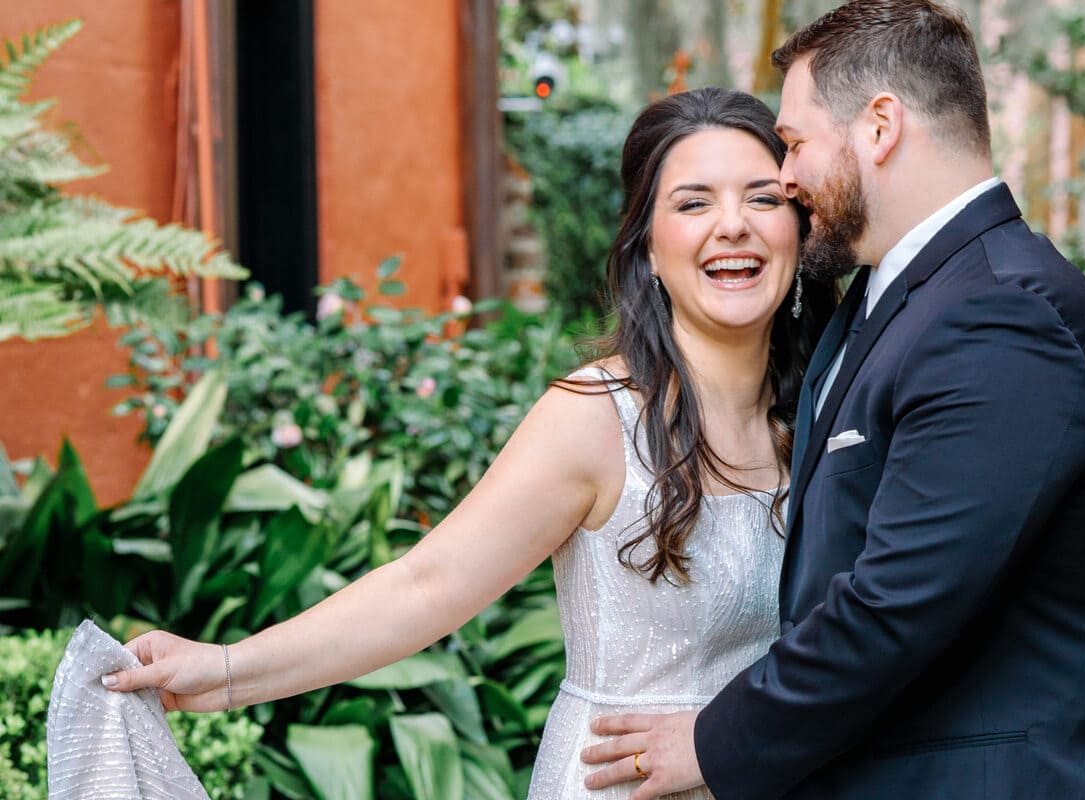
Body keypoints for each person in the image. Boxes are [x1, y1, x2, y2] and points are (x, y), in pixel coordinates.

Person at [102, 87, 837, 799]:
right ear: (647, 245)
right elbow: (428, 586)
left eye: (764, 198)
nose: (733, 224)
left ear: (799, 230)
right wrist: (228, 669)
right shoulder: (596, 421)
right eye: (694, 202)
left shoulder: (822, 412)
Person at [580, 2, 1085, 798]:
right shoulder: (896, 299)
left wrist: (715, 743)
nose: (785, 180)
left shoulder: (1001, 313)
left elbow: (899, 601)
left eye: (793, 144)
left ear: (880, 126)